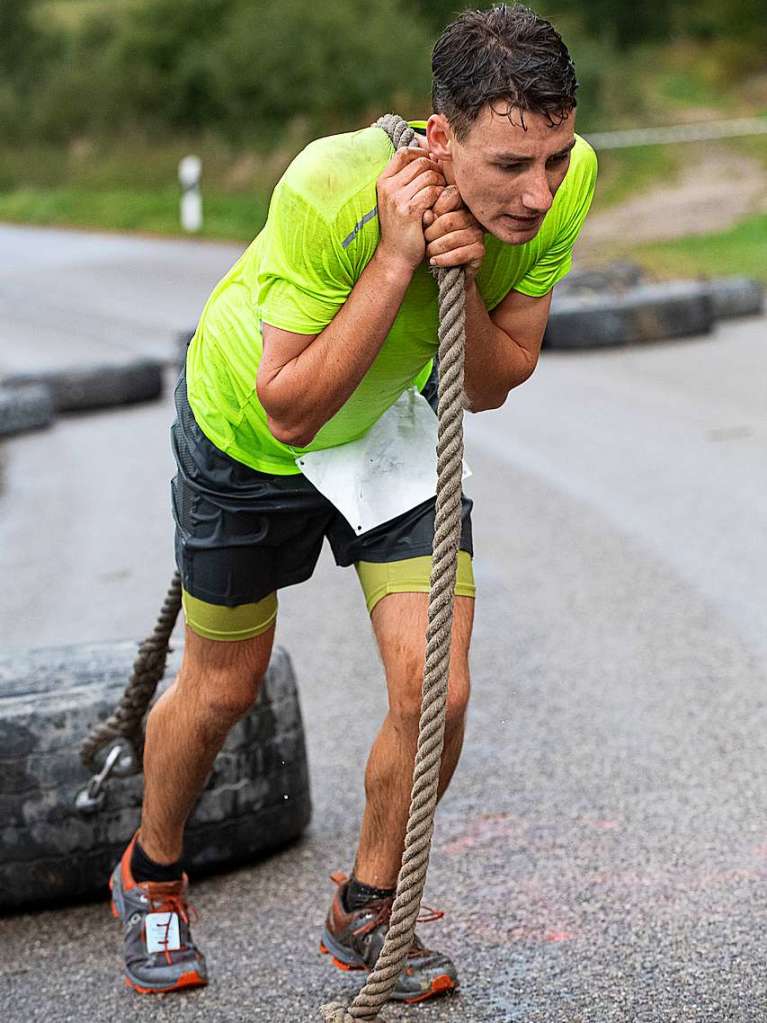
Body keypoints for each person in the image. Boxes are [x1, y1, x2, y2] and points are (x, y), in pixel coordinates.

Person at [109, 1, 597, 1004]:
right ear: (438, 138)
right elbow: (286, 410)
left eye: (551, 157)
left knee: (438, 691)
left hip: (383, 426)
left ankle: (367, 904)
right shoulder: (331, 186)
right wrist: (397, 257)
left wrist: (460, 262)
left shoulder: (568, 183)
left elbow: (496, 378)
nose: (538, 192)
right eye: (509, 167)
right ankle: (148, 872)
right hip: (253, 431)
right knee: (222, 690)